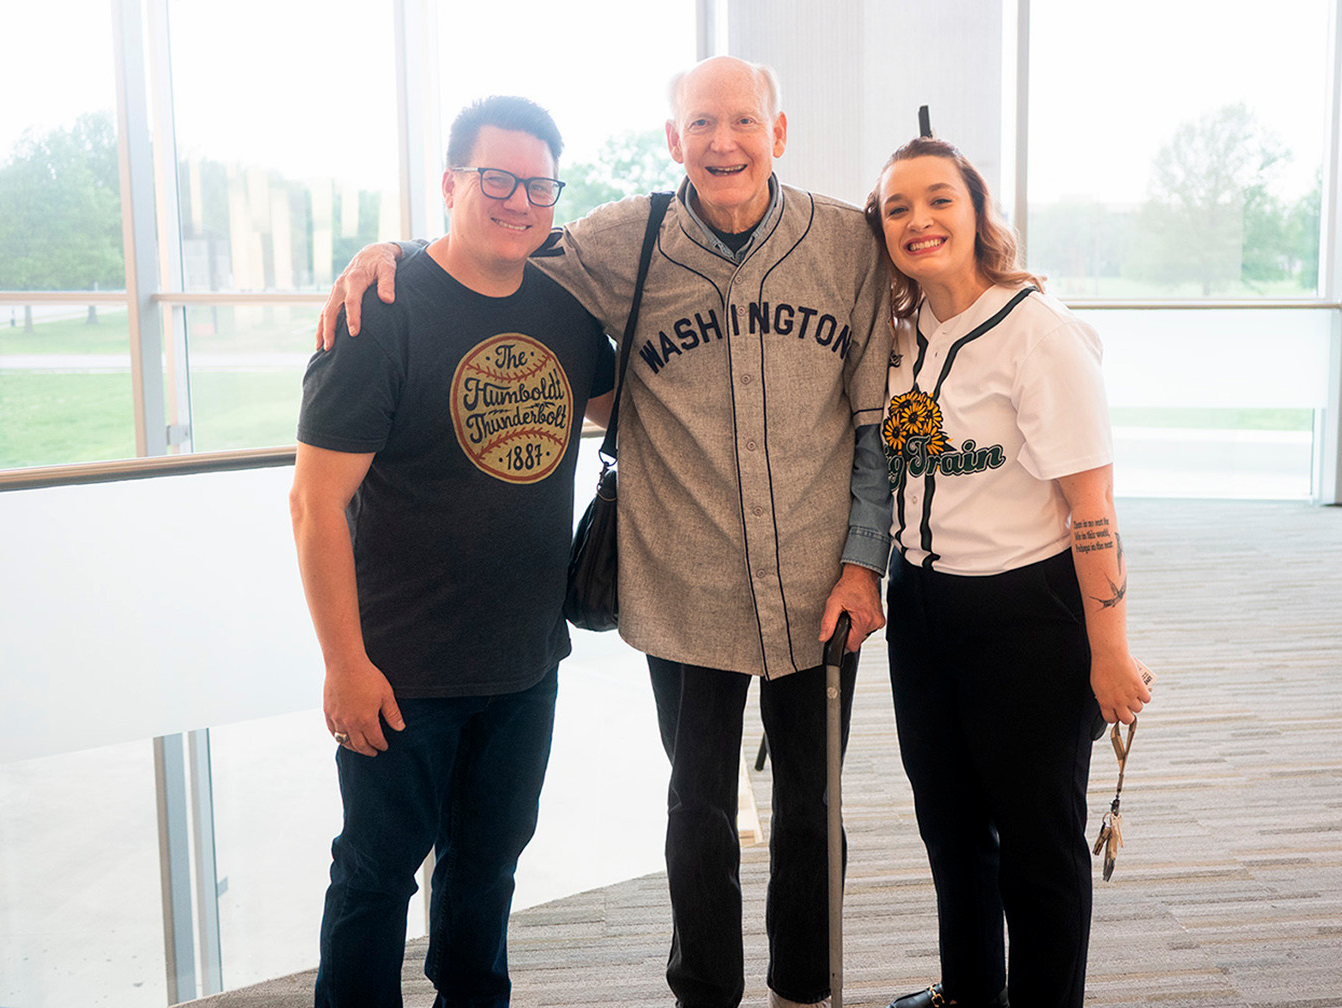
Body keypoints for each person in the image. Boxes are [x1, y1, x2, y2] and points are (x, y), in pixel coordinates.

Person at [317, 56, 894, 1008]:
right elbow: (491, 248)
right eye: (702, 124)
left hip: (821, 588)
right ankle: (704, 993)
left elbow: (882, 421)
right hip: (684, 582)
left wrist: (865, 563)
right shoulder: (625, 239)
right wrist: (392, 252)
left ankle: (807, 991)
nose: (724, 141)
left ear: (778, 134)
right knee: (697, 810)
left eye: (744, 122)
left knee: (813, 810)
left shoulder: (847, 245)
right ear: (673, 141)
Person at [289, 95, 615, 1008]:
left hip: (523, 664)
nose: (518, 201)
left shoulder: (563, 306)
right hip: (401, 672)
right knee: (376, 879)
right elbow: (315, 506)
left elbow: (625, 406)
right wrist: (344, 665)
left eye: (538, 185)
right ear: (450, 184)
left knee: (486, 872)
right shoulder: (381, 307)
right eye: (496, 179)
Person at [863, 137, 1152, 1008]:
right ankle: (968, 995)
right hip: (922, 605)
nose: (919, 220)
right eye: (898, 208)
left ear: (978, 212)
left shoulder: (1040, 332)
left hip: (1027, 613)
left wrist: (1111, 651)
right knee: (950, 829)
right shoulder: (904, 329)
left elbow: (1092, 511)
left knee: (1039, 844)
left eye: (939, 199)